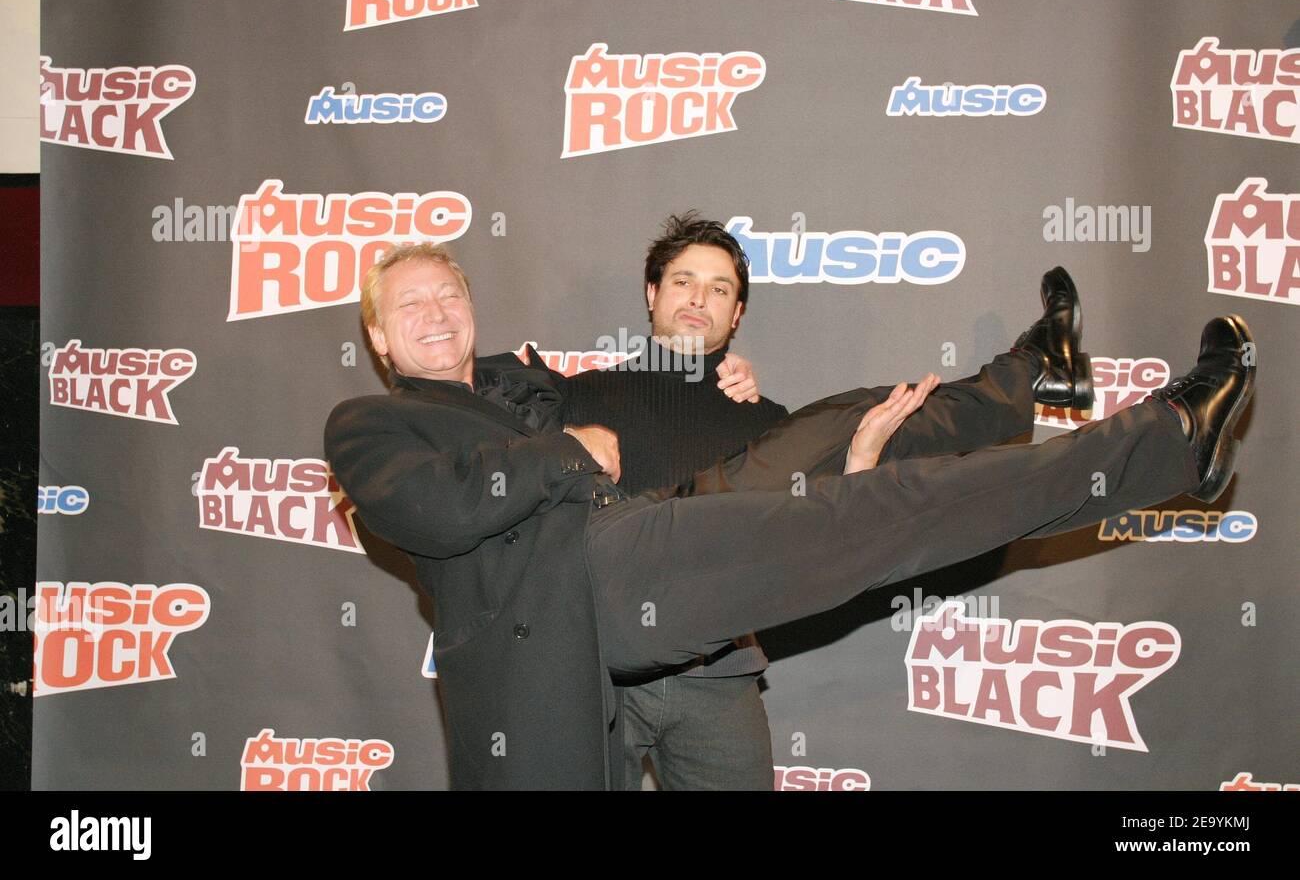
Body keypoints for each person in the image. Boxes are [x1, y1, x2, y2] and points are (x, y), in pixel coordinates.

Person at [323, 243, 1255, 790]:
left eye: (450, 294)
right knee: (890, 514)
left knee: (866, 457)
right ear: (376, 335)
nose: (437, 312)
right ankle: (1173, 439)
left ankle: (1033, 371)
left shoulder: (527, 388)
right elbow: (435, 509)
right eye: (411, 303)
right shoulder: (376, 420)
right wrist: (572, 452)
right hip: (592, 593)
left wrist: (828, 469)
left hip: (665, 555)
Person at [563, 214, 788, 791]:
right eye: (683, 281)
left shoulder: (768, 421)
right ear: (652, 292)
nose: (699, 299)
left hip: (721, 672)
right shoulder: (577, 399)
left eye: (720, 289)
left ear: (736, 315)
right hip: (594, 670)